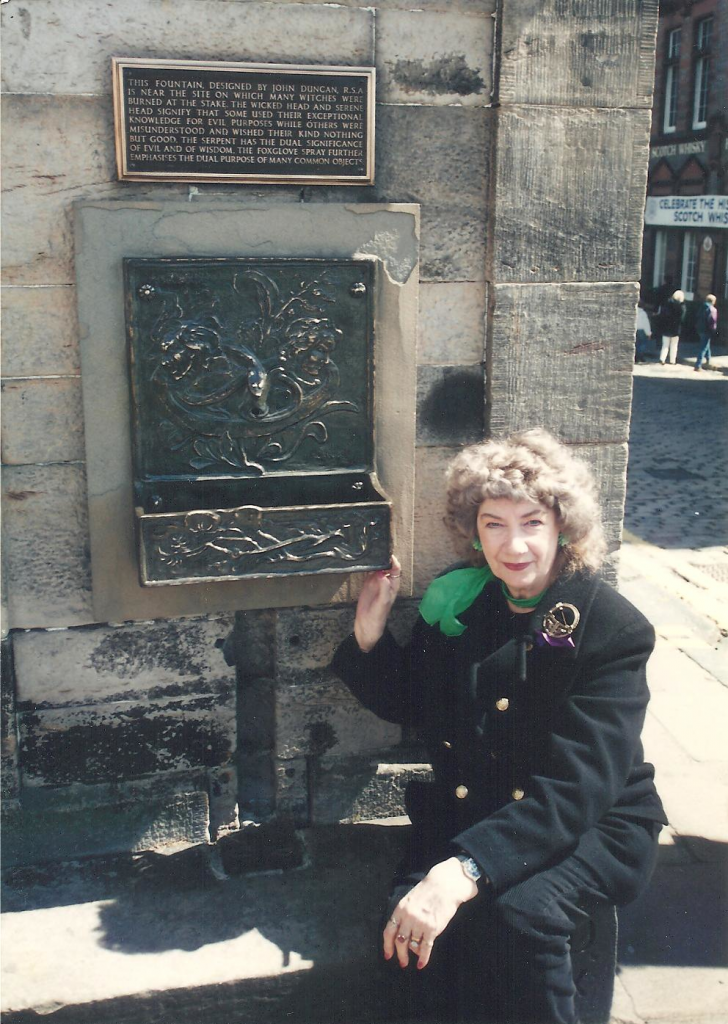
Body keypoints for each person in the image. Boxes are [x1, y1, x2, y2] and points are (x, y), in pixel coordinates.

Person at [332, 429, 666, 1024]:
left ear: (562, 526)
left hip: (590, 822)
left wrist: (465, 870)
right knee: (407, 921)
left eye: (532, 522)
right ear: (473, 529)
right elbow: (418, 701)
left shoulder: (610, 627)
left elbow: (579, 787)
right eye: (494, 523)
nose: (513, 545)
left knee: (524, 914)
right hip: (479, 807)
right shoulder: (468, 605)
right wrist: (369, 636)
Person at [657, 289, 686, 365]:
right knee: (674, 345)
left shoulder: (667, 303)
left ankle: (662, 359)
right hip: (676, 328)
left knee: (665, 345)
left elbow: (663, 314)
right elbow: (682, 318)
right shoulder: (681, 306)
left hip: (666, 327)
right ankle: (672, 360)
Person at [694, 294, 718, 371]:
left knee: (706, 344)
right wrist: (713, 330)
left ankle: (708, 360)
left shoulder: (702, 307)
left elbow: (697, 316)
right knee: (703, 347)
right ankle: (698, 365)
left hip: (700, 329)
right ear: (713, 301)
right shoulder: (713, 309)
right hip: (707, 330)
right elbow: (713, 321)